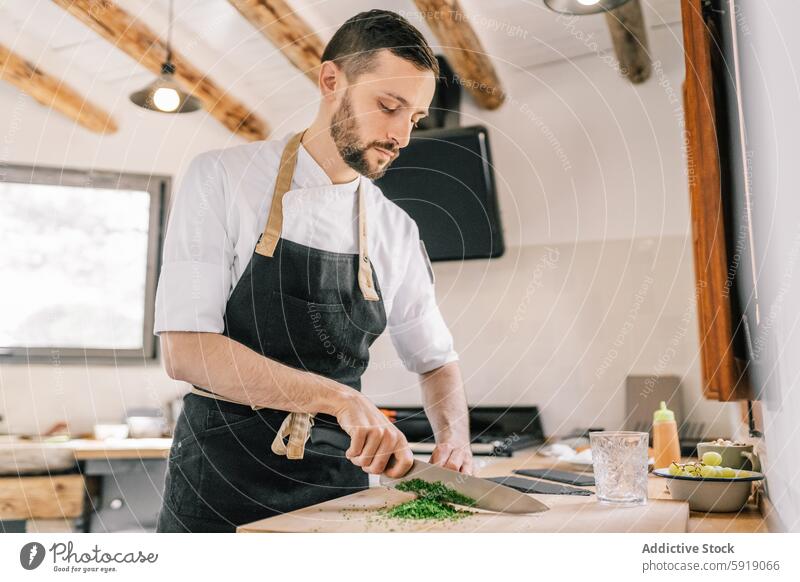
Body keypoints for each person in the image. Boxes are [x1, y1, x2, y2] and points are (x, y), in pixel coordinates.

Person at [154, 9, 472, 533]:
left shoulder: (395, 229)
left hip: (335, 491)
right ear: (331, 81)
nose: (402, 137)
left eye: (413, 118)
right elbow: (186, 351)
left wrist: (454, 442)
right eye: (388, 107)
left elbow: (437, 361)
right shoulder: (221, 178)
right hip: (218, 486)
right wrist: (338, 398)